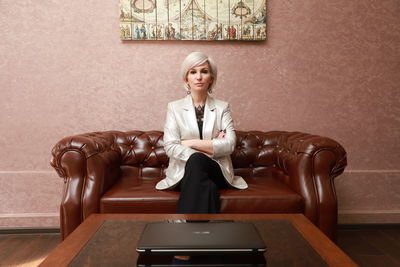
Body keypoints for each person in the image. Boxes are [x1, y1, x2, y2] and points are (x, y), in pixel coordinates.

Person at [156, 52, 248, 214]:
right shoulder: (174, 108)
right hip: (184, 172)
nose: (199, 77)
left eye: (204, 72)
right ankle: (207, 234)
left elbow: (230, 145)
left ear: (211, 78)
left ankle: (181, 231)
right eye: (193, 72)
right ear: (186, 78)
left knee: (198, 162)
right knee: (207, 187)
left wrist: (188, 143)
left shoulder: (222, 107)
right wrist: (211, 145)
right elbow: (170, 146)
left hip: (217, 169)